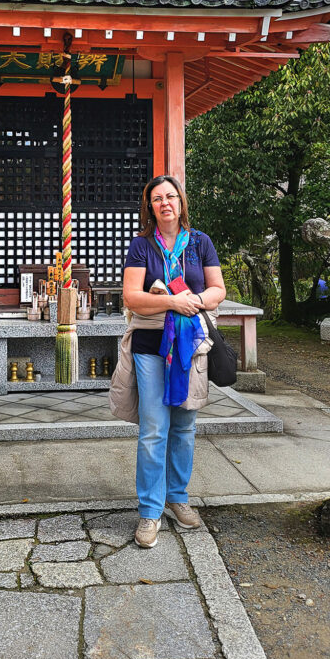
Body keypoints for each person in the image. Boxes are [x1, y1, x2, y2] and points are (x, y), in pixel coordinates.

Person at [114, 175, 226, 549]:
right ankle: (149, 510)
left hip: (189, 346)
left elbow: (217, 289)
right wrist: (170, 302)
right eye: (157, 198)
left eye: (171, 196)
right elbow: (131, 297)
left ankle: (177, 497)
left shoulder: (200, 243)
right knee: (153, 429)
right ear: (150, 206)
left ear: (181, 202)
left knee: (184, 425)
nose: (165, 203)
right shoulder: (141, 247)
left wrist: (195, 299)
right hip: (150, 346)